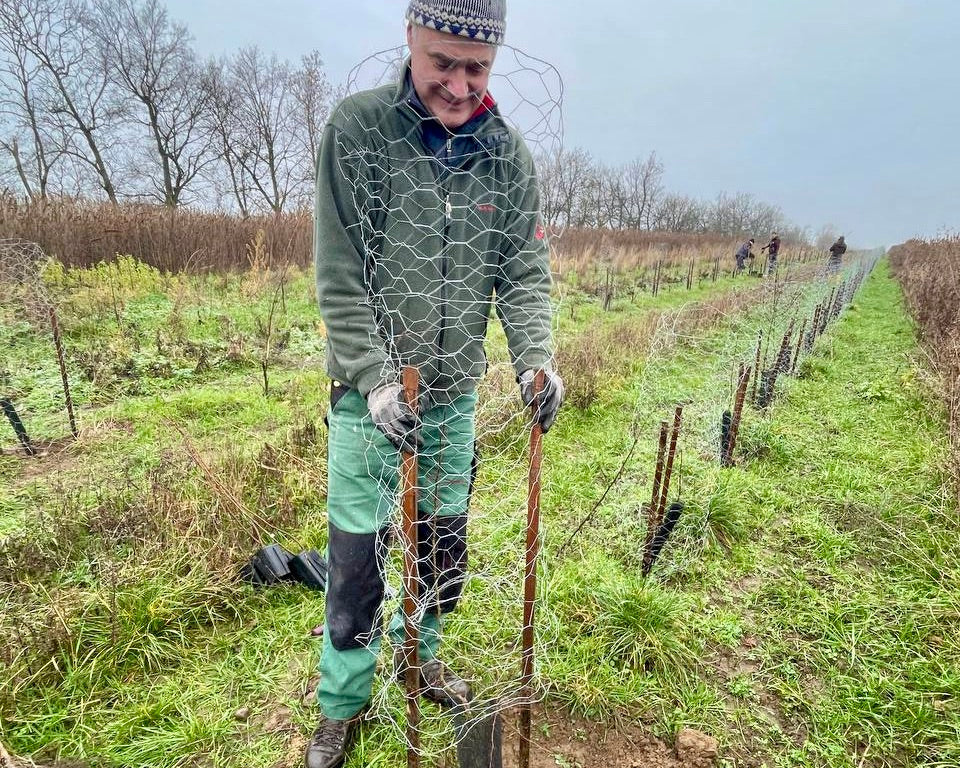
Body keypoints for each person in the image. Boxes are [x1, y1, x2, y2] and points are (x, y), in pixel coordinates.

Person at [306, 1, 563, 765]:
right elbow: (339, 274)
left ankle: (421, 661)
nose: (457, 86)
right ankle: (343, 706)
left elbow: (521, 272)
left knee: (440, 549)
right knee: (357, 561)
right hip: (368, 403)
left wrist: (534, 360)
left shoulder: (505, 157)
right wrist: (377, 382)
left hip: (452, 403)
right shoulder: (357, 133)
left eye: (475, 69)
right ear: (411, 42)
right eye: (441, 64)